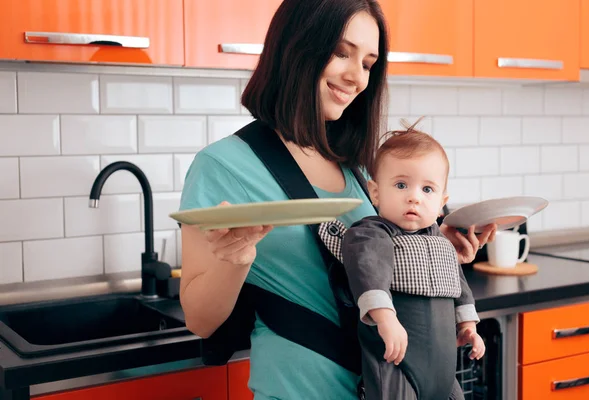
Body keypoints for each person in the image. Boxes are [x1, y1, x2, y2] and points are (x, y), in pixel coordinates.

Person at [178, 0, 496, 398]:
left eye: (367, 63)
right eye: (341, 52)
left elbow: (377, 261)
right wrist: (235, 261)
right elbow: (199, 319)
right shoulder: (221, 166)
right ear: (296, 46)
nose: (356, 77)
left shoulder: (358, 168)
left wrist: (434, 248)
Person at [319, 121, 486, 399]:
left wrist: (468, 327)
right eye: (401, 185)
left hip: (445, 373)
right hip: (397, 362)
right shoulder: (371, 232)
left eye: (427, 190)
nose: (413, 198)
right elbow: (368, 272)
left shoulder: (442, 243)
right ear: (375, 193)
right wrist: (385, 319)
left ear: (442, 201)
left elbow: (460, 289)